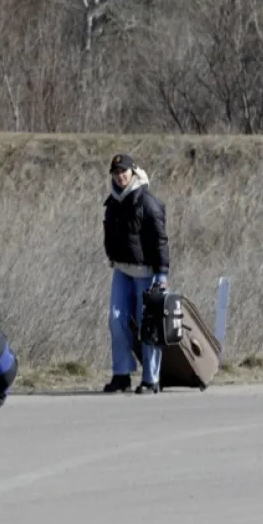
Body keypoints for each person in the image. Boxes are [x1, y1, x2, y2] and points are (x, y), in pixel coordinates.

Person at [101, 153, 170, 394]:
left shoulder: (147, 201)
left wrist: (162, 274)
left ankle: (151, 379)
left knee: (147, 325)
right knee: (116, 319)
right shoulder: (113, 201)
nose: (120, 177)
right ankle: (122, 374)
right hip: (122, 269)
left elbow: (161, 240)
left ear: (133, 172)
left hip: (147, 272)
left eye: (124, 172)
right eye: (116, 173)